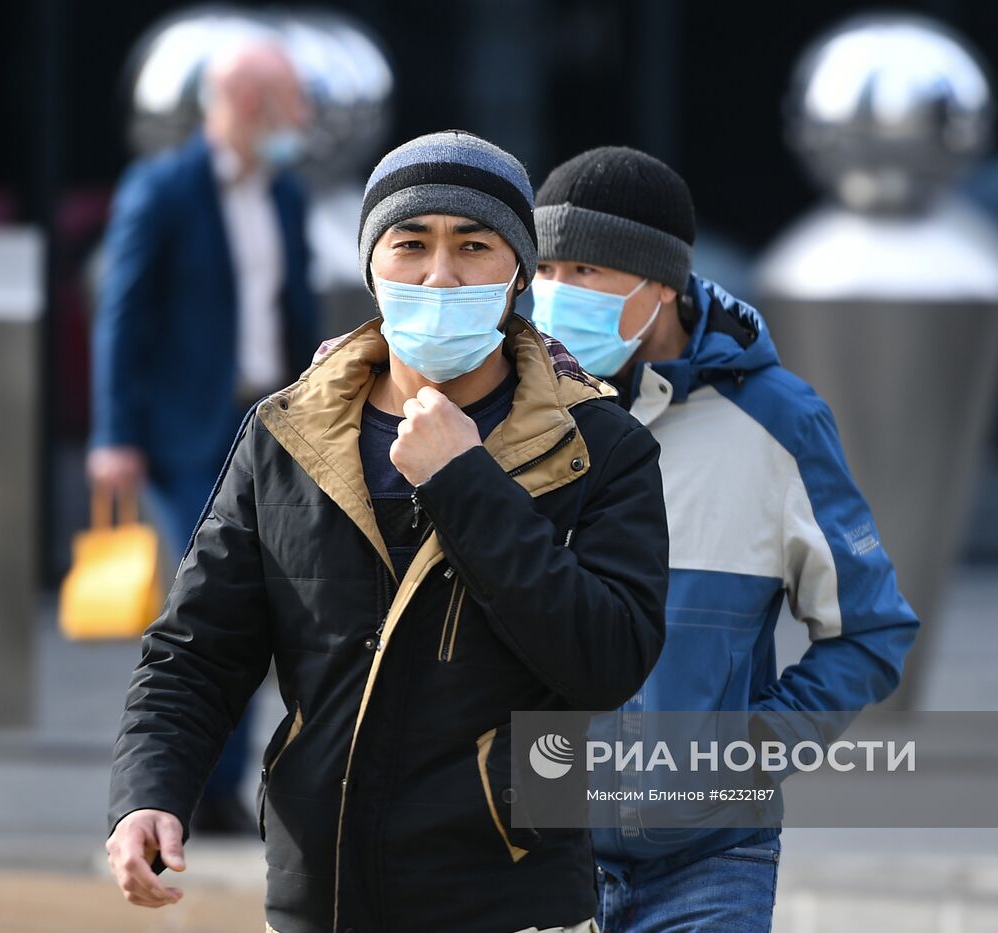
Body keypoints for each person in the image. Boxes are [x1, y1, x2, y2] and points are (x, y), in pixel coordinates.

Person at [105, 131, 670, 933]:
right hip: (319, 900)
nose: (440, 274)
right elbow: (196, 650)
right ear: (374, 265)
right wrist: (149, 793)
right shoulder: (287, 434)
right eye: (411, 243)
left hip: (511, 904)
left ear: (517, 272)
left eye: (473, 245)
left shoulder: (598, 446)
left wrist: (463, 482)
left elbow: (607, 657)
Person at [530, 146, 920, 932]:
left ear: (659, 285)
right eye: (546, 270)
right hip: (535, 866)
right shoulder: (510, 410)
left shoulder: (780, 422)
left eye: (586, 273)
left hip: (713, 868)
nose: (553, 297)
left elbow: (872, 632)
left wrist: (749, 752)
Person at [88, 40, 322, 832]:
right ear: (252, 103)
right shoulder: (162, 189)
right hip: (187, 433)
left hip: (270, 423)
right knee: (209, 604)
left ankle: (221, 785)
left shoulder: (283, 192)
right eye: (295, 101)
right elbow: (122, 315)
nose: (307, 118)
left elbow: (294, 311)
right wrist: (115, 434)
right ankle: (196, 786)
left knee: (270, 599)